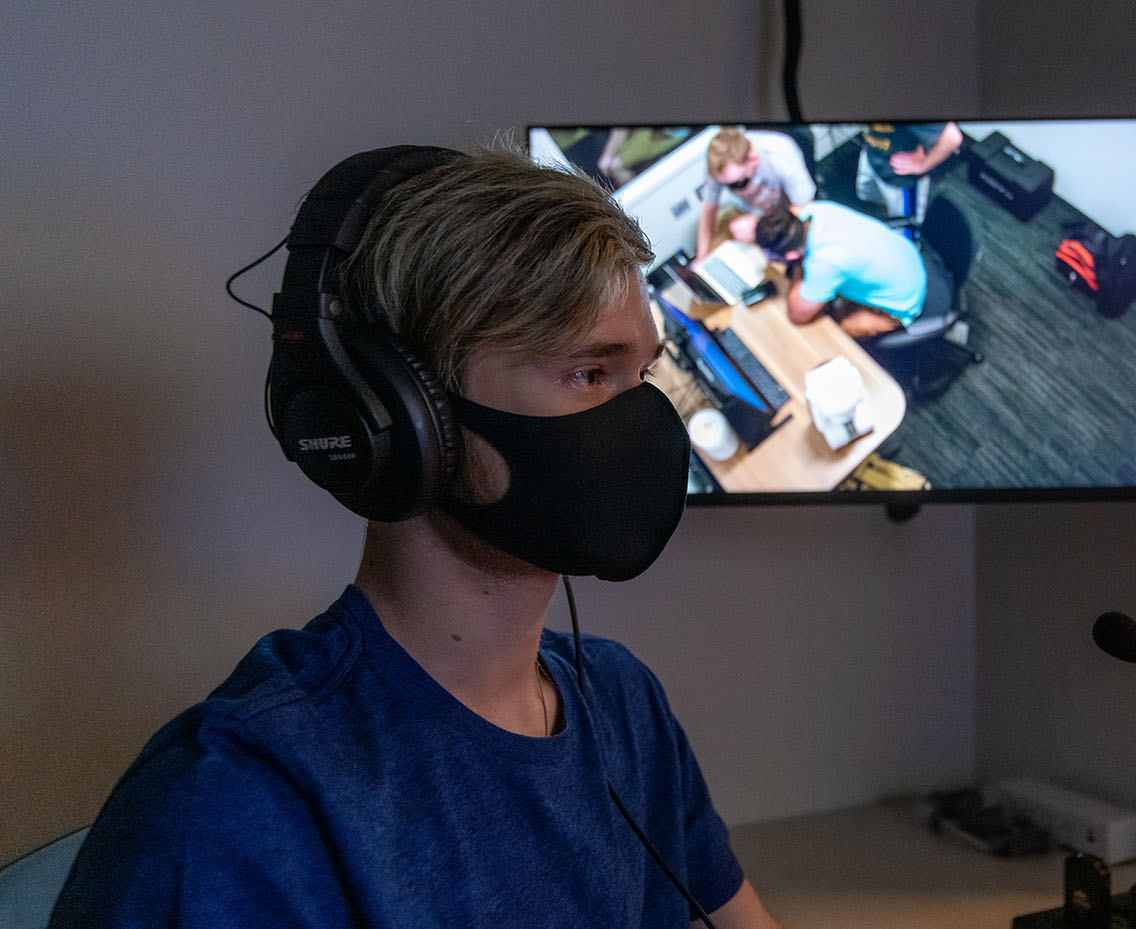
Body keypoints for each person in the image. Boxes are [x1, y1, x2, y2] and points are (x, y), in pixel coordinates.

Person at [49, 145, 784, 929]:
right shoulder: (239, 803)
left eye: (640, 374)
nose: (639, 423)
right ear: (407, 416)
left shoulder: (621, 703)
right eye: (588, 373)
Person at [753, 196, 932, 340]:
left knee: (830, 331)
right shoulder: (817, 210)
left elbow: (797, 316)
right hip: (908, 259)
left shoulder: (825, 263)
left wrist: (798, 271)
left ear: (791, 255)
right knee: (823, 299)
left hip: (902, 305)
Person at [695, 127, 814, 261]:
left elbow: (806, 213)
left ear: (753, 158)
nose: (739, 189)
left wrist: (759, 226)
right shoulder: (720, 167)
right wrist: (701, 257)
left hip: (787, 220)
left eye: (740, 183)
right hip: (757, 218)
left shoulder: (780, 156)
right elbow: (708, 212)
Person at [856, 121, 964, 227]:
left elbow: (952, 138)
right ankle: (886, 211)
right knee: (867, 194)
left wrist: (924, 165)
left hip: (901, 178)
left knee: (905, 223)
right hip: (872, 155)